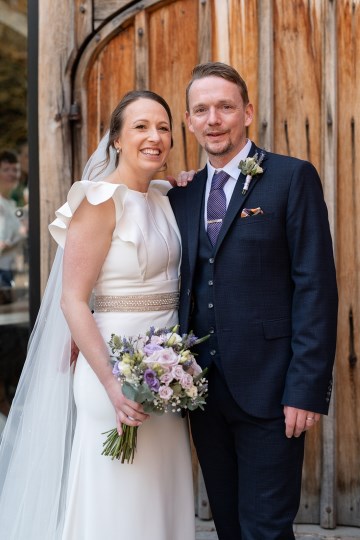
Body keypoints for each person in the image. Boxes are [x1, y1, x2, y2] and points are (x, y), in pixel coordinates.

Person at [0, 91, 195, 540]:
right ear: (117, 139)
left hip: (166, 375)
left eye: (164, 127)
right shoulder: (98, 201)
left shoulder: (168, 197)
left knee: (160, 493)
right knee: (116, 499)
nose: (155, 137)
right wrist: (112, 383)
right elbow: (72, 299)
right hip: (109, 371)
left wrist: (172, 371)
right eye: (141, 127)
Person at [168, 62, 338, 540]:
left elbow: (316, 288)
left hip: (272, 389)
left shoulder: (290, 178)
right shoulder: (181, 194)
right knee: (227, 524)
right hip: (200, 391)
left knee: (265, 528)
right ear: (189, 121)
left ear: (247, 112)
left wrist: (306, 388)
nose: (214, 118)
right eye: (202, 110)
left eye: (224, 106)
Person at [0, 150, 26, 290]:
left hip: (9, 271)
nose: (11, 174)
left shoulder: (12, 205)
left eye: (15, 170)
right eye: (6, 170)